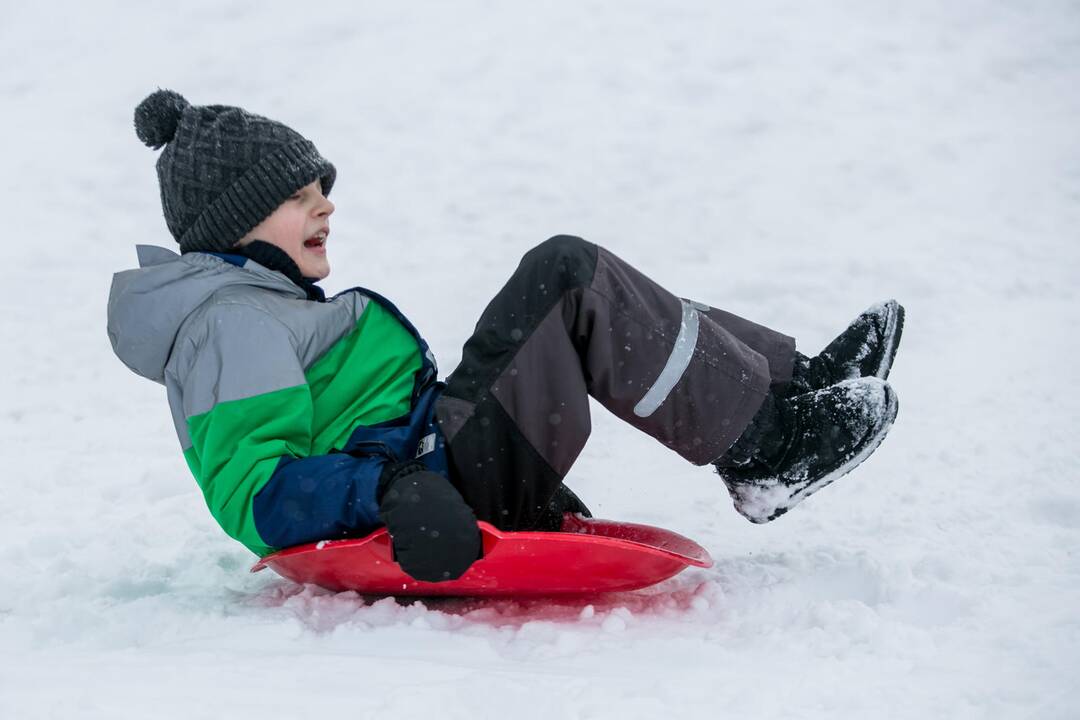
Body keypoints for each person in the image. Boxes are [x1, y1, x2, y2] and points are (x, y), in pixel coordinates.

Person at [108, 89, 903, 584]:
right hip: (426, 485)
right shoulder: (226, 325)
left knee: (584, 286)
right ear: (233, 223)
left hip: (432, 467)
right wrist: (392, 492)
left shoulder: (260, 308)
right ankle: (772, 446)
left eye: (324, 190)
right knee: (567, 277)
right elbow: (252, 491)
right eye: (299, 196)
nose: (326, 208)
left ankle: (789, 392)